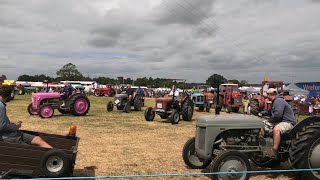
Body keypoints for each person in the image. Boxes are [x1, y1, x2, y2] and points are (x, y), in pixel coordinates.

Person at [259, 88, 297, 159]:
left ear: (269, 95)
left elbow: (277, 115)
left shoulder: (278, 101)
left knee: (276, 129)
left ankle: (274, 151)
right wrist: (262, 113)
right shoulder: (275, 101)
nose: (267, 97)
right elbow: (270, 112)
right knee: (261, 124)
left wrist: (270, 119)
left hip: (288, 122)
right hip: (280, 121)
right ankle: (260, 144)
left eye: (267, 95)